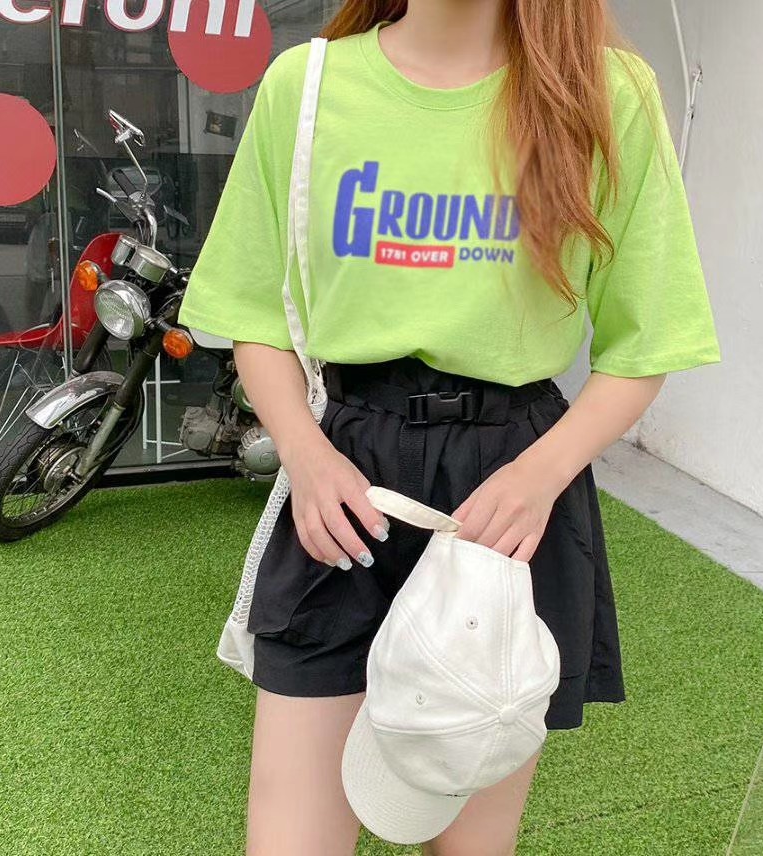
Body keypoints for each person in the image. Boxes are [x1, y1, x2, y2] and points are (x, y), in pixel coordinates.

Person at [176, 2, 721, 854]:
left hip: (509, 486)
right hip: (344, 475)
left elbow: (645, 346)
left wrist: (541, 475)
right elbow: (254, 316)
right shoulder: (307, 84)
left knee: (469, 841)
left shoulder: (606, 93)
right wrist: (306, 454)